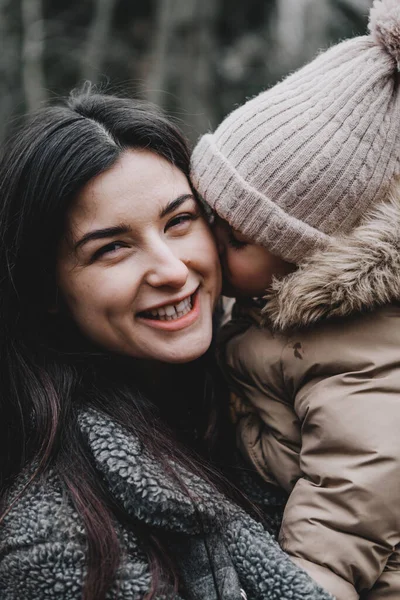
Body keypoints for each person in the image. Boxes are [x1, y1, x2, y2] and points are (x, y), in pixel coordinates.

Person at [0, 89, 332, 600]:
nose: (173, 270)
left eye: (179, 221)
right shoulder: (57, 542)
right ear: (47, 289)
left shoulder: (286, 384)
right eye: (112, 247)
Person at [190, 0, 400, 599]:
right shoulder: (268, 302)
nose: (210, 243)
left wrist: (313, 580)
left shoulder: (366, 342)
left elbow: (360, 479)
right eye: (207, 215)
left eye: (235, 237)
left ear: (308, 253)